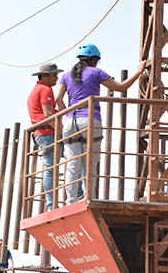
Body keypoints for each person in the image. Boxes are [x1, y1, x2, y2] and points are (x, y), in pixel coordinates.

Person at [55, 43, 146, 205]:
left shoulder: (66, 75)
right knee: (90, 161)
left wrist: (67, 114)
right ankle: (89, 198)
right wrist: (139, 71)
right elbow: (120, 87)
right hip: (90, 120)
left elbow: (57, 99)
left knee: (72, 163)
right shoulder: (96, 72)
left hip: (70, 122)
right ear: (95, 60)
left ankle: (70, 201)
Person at [28, 63, 63, 211]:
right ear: (44, 76)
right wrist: (61, 131)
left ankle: (51, 204)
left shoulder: (36, 90)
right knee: (50, 169)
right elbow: (48, 115)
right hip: (48, 132)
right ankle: (51, 205)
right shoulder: (45, 89)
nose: (57, 77)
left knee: (50, 168)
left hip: (42, 133)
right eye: (54, 74)